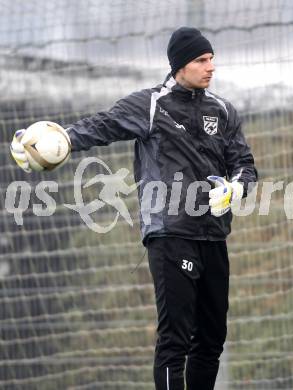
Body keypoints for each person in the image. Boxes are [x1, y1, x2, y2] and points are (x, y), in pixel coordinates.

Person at [10, 27, 257, 390]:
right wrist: (60, 139)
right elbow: (104, 124)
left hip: (214, 235)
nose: (210, 66)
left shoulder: (222, 110)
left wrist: (236, 190)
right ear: (179, 66)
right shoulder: (151, 104)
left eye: (211, 59)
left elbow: (245, 164)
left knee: (211, 340)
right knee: (176, 340)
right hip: (170, 234)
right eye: (201, 60)